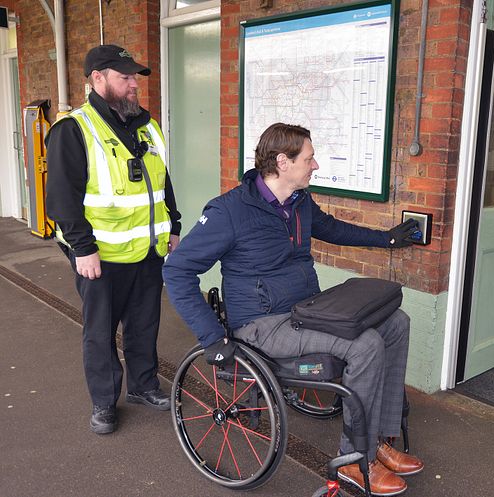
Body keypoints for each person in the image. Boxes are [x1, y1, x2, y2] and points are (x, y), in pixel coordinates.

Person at [162, 123, 423, 496]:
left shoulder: (298, 203)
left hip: (306, 312)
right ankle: (353, 460)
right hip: (262, 324)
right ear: (282, 162)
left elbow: (333, 229)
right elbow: (177, 270)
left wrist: (387, 240)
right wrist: (212, 338)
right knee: (364, 345)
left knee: (395, 322)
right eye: (309, 158)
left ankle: (378, 439)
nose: (315, 165)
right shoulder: (229, 212)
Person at [46, 45, 181, 435]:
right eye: (125, 77)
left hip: (148, 251)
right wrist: (83, 249)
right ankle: (104, 402)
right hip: (100, 256)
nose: (133, 84)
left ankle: (143, 386)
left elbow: (161, 182)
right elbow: (62, 199)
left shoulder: (147, 126)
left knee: (143, 325)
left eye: (135, 76)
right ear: (97, 79)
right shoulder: (74, 129)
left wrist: (174, 224)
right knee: (100, 332)